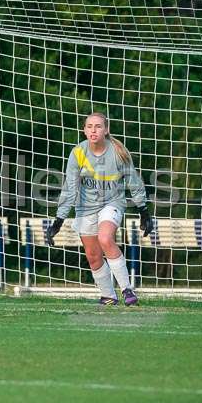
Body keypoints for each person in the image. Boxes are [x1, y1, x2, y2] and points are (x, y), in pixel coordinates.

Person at [46, 111, 154, 306]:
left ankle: (127, 290)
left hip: (111, 203)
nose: (93, 130)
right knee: (93, 256)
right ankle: (108, 296)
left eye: (98, 126)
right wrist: (59, 220)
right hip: (85, 208)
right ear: (84, 130)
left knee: (105, 238)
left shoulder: (119, 152)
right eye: (89, 127)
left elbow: (134, 182)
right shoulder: (77, 153)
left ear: (106, 130)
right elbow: (70, 188)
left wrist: (143, 211)